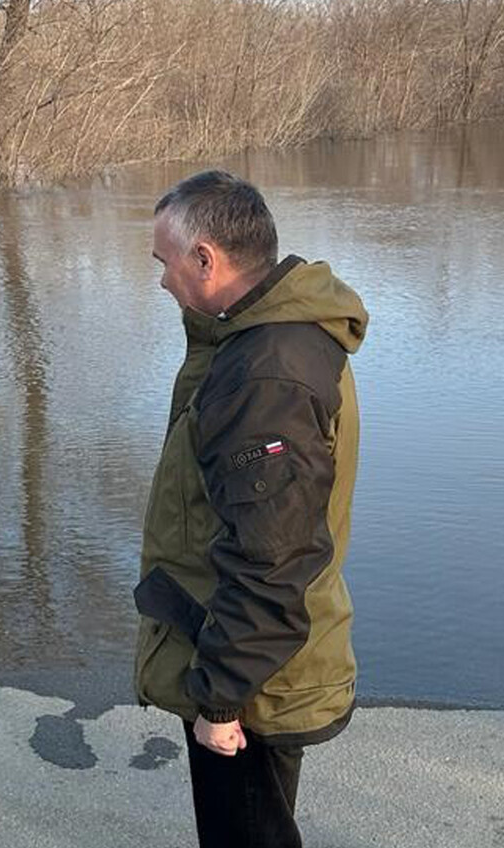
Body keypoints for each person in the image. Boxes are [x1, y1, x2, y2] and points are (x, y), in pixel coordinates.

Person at [134, 170, 366, 848]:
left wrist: (220, 700)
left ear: (206, 258)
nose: (162, 280)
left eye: (166, 262)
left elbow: (272, 558)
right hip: (253, 655)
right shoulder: (266, 339)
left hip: (253, 677)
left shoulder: (266, 376)